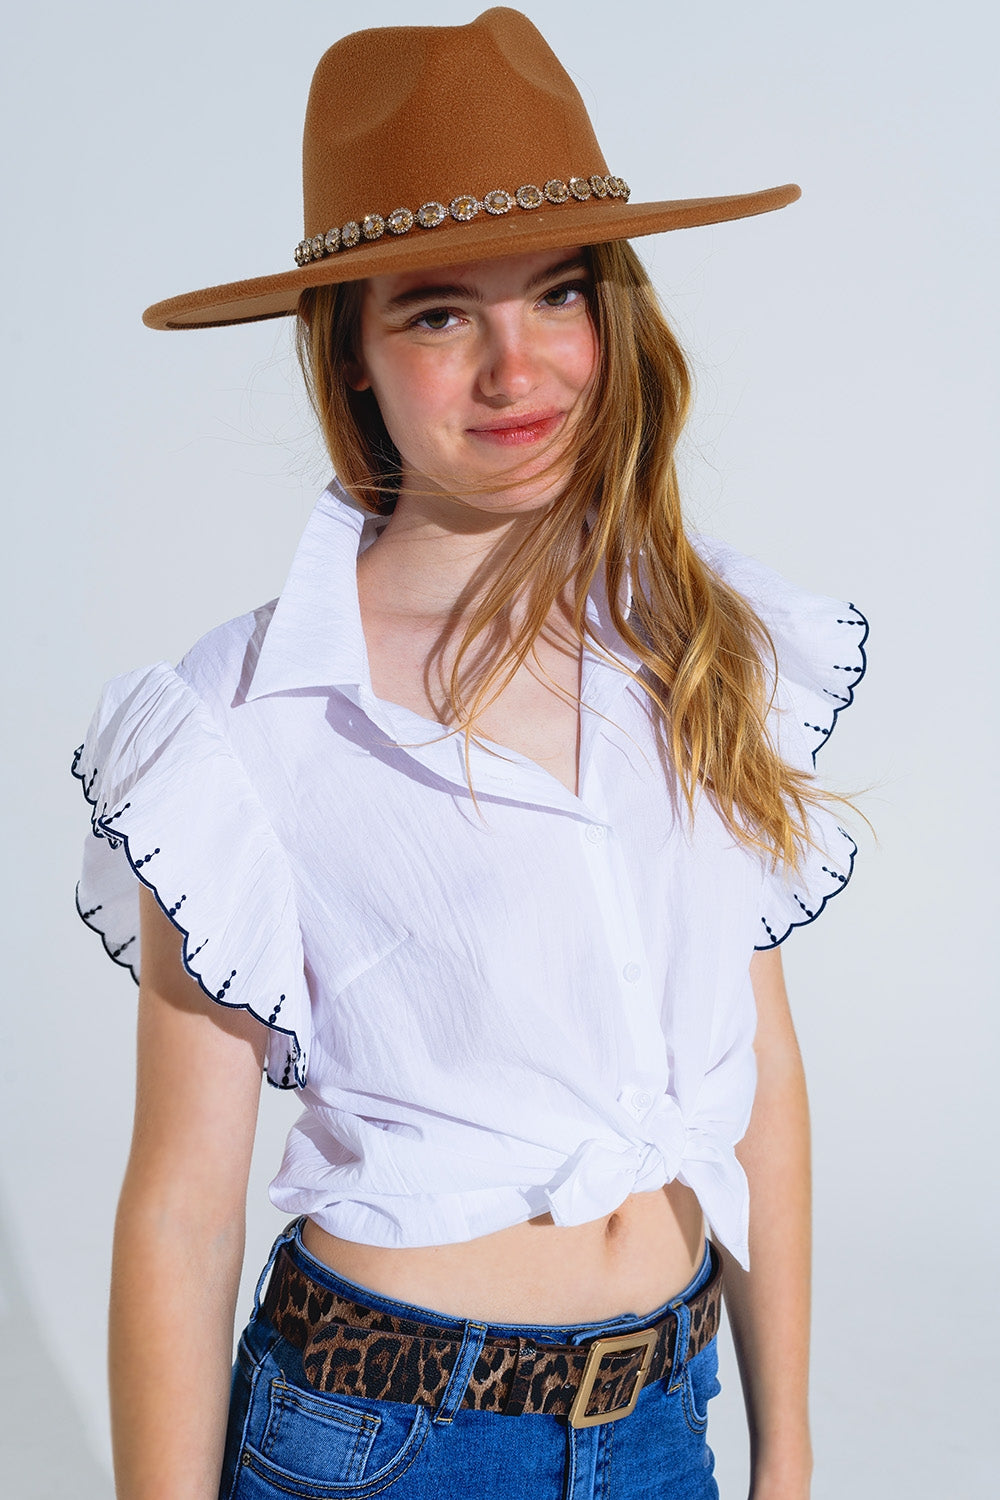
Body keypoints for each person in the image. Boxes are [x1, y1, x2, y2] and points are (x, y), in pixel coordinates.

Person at [72, 9, 867, 1499]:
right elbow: (181, 1204)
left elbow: (758, 1068)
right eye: (440, 314)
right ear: (354, 354)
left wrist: (791, 1449)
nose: (519, 368)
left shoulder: (695, 641)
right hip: (387, 1440)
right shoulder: (237, 725)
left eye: (559, 294)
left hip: (659, 1420)